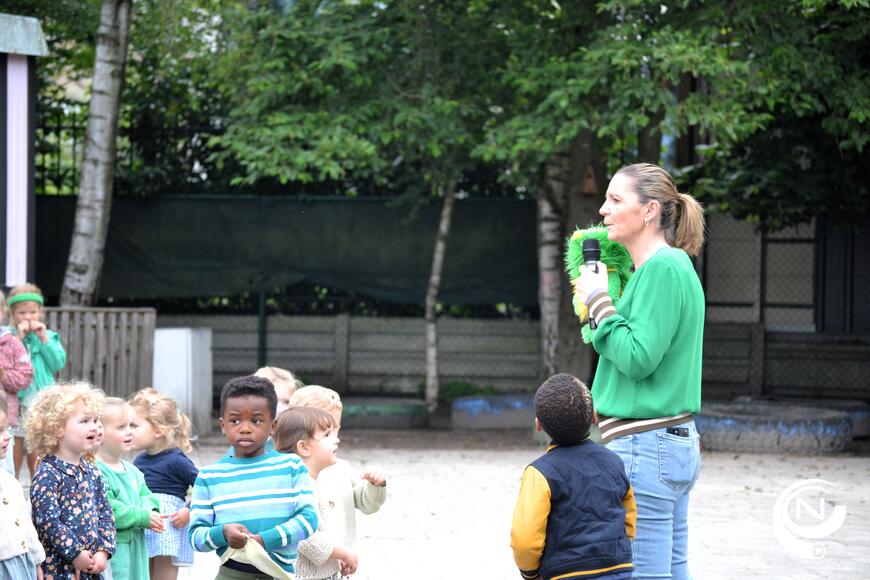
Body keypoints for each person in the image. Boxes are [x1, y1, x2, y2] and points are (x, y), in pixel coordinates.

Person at [574, 162, 705, 580]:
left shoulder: (662, 269)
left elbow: (637, 357)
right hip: (665, 441)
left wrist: (598, 301)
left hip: (645, 446)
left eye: (615, 199)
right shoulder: (668, 267)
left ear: (649, 211)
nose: (603, 210)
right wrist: (604, 305)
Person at [188, 375, 319, 579]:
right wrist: (222, 533)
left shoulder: (291, 467)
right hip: (231, 574)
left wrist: (263, 540)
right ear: (223, 425)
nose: (245, 428)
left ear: (273, 426)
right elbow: (195, 537)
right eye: (235, 420)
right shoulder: (209, 476)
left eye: (256, 420)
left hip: (279, 574)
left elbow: (308, 520)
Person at [511, 373, 636, 580]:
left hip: (565, 572)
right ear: (594, 416)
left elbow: (525, 538)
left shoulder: (539, 473)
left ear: (538, 424)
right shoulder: (614, 462)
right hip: (617, 567)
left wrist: (530, 572)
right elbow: (628, 516)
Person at [26, 382, 115, 579]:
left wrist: (104, 550)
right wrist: (74, 553)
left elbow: (105, 513)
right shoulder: (48, 473)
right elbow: (48, 522)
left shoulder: (91, 470)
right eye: (84, 421)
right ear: (57, 429)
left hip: (91, 566)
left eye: (95, 420)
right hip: (60, 568)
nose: (94, 426)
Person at [289, 385, 387, 552]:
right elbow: (300, 532)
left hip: (341, 567)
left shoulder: (341, 469)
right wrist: (337, 554)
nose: (335, 438)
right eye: (325, 432)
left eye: (336, 429)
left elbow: (367, 504)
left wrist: (375, 484)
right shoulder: (291, 475)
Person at [274, 406, 358, 580]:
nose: (336, 440)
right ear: (304, 447)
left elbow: (322, 531)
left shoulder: (313, 482)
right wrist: (343, 552)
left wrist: (335, 556)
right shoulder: (299, 487)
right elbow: (304, 535)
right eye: (326, 435)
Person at [129, 388, 198, 580]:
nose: (128, 431)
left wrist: (188, 510)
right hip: (144, 523)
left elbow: (204, 487)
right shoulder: (139, 461)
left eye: (134, 426)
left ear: (158, 430)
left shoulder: (177, 460)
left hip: (168, 525)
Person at [97, 397, 165, 580]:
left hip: (137, 549)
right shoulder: (96, 471)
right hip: (116, 553)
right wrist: (142, 516)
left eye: (132, 426)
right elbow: (111, 510)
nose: (129, 432)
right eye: (121, 427)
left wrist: (152, 512)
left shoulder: (134, 471)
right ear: (99, 433)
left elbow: (147, 495)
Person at [7, 283, 67, 481]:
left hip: (42, 400)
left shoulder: (48, 336)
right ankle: (13, 484)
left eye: (33, 312)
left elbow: (57, 362)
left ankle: (38, 488)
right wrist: (20, 339)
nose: (28, 317)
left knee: (37, 448)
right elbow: (9, 360)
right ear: (13, 314)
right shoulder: (11, 338)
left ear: (40, 312)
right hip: (18, 400)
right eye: (22, 313)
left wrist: (43, 339)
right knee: (14, 447)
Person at [0, 396, 46, 579]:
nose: (8, 436)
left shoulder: (11, 482)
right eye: (0, 430)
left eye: (6, 429)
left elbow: (25, 523)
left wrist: (36, 560)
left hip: (21, 565)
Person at [0, 291, 34, 475]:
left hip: (4, 420)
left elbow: (25, 375)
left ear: (3, 312)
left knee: (6, 471)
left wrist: (3, 375)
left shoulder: (12, 343)